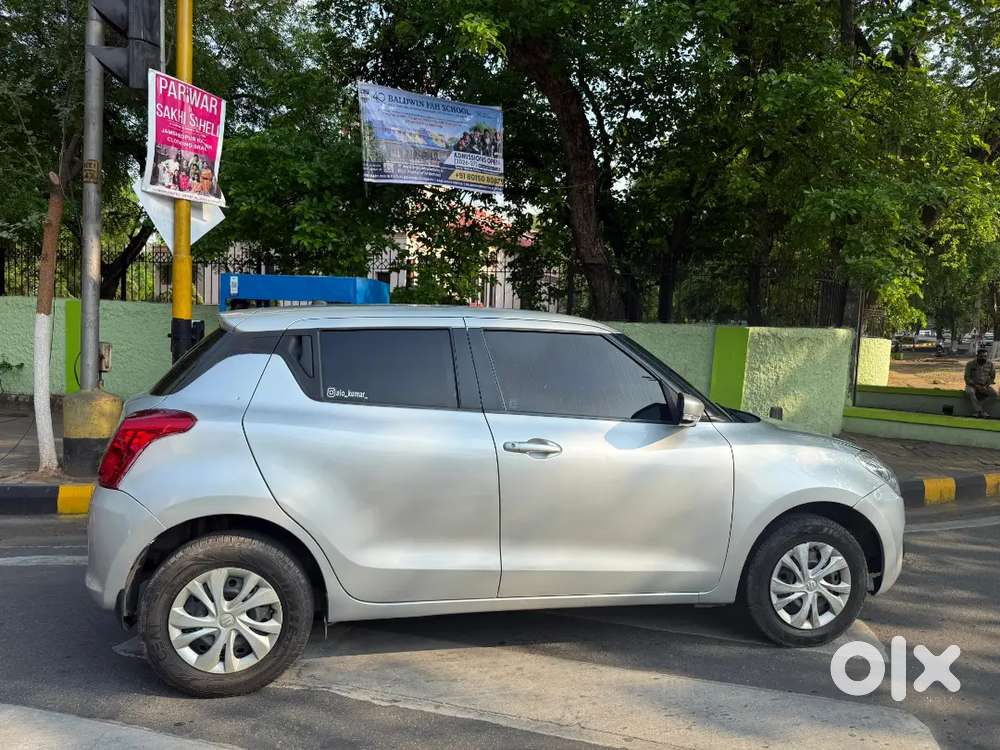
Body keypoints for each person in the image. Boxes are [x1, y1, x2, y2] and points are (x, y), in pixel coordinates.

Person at [965, 346, 997, 418]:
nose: (983, 358)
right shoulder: (970, 364)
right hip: (972, 385)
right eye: (981, 356)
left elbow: (992, 377)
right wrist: (976, 386)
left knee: (994, 395)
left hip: (985, 386)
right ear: (977, 356)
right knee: (970, 392)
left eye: (985, 356)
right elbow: (967, 378)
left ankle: (979, 411)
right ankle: (980, 411)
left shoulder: (990, 364)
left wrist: (986, 386)